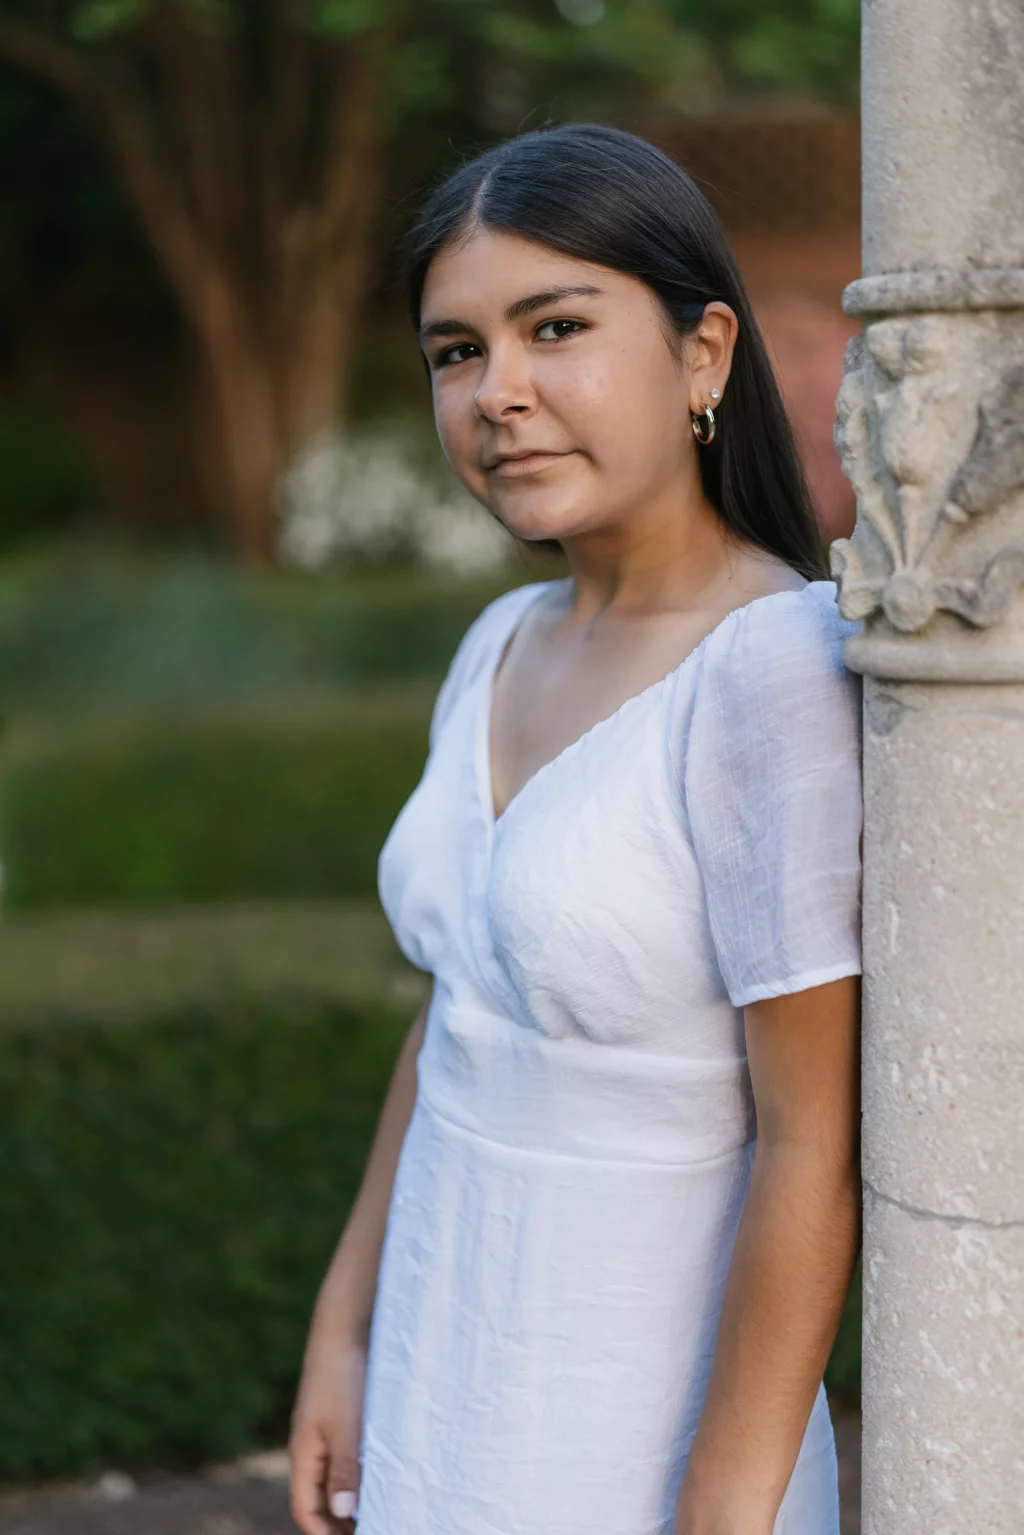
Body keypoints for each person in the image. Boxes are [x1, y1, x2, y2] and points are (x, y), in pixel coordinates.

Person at [290, 123, 862, 1535]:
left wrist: (721, 1514)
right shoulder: (496, 642)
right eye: (456, 352)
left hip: (632, 1417)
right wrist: (343, 1331)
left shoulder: (773, 670)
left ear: (705, 355)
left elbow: (813, 1146)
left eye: (557, 326)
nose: (503, 392)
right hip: (445, 1358)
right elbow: (458, 1014)